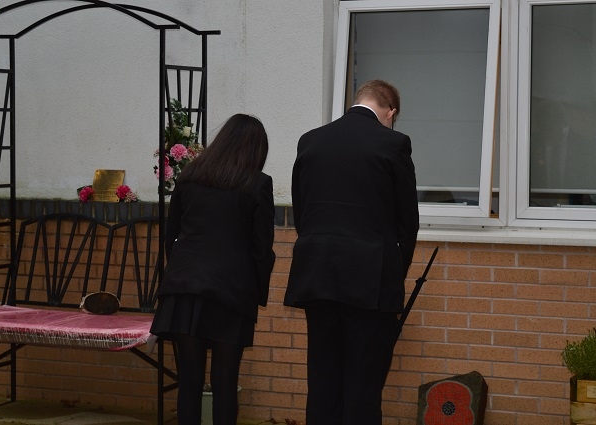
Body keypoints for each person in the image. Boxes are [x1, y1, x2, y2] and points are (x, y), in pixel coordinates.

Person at [284, 80, 420, 425]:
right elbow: (408, 223)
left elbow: (303, 212)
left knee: (323, 377)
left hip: (317, 273)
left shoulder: (310, 141)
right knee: (363, 383)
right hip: (370, 280)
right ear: (390, 111)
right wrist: (393, 269)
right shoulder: (394, 143)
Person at [150, 114, 276, 425]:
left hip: (184, 288)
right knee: (224, 383)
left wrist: (180, 274)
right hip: (231, 294)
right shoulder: (257, 184)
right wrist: (257, 294)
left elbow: (172, 236)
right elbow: (262, 249)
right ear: (255, 150)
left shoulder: (191, 175)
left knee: (189, 382)